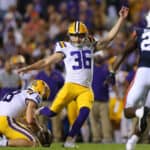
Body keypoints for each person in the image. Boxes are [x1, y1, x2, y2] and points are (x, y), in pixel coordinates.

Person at [17, 6, 129, 148]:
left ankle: (70, 140)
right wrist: (29, 67)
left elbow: (109, 38)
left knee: (84, 113)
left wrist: (121, 19)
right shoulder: (65, 47)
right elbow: (46, 61)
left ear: (85, 35)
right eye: (75, 35)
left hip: (85, 88)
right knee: (51, 112)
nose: (78, 38)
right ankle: (37, 111)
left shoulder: (90, 45)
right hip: (70, 85)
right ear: (70, 35)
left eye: (81, 35)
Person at [107, 10, 150, 150]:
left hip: (143, 72)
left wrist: (112, 71)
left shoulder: (139, 32)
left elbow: (124, 53)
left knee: (128, 110)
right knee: (147, 112)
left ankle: (132, 141)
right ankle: (132, 140)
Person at [0, 79, 50, 147]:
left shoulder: (22, 93)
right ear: (40, 89)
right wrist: (40, 130)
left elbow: (24, 120)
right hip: (5, 120)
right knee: (33, 142)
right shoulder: (35, 95)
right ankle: (2, 142)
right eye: (45, 90)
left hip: (4, 119)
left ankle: (4, 138)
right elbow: (30, 120)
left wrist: (36, 128)